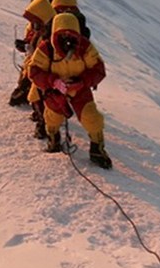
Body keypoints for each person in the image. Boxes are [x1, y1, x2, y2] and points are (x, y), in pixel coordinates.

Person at [27, 12, 112, 169]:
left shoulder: (85, 47)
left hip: (80, 89)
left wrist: (82, 82)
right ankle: (54, 139)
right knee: (52, 117)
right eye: (62, 35)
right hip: (55, 91)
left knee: (92, 117)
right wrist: (53, 81)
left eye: (71, 35)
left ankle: (97, 149)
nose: (67, 40)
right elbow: (34, 71)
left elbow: (98, 69)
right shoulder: (46, 49)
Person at [9, 0, 56, 113]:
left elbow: (43, 57)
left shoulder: (51, 36)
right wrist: (25, 46)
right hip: (35, 74)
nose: (33, 27)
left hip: (42, 77)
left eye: (35, 23)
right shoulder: (41, 31)